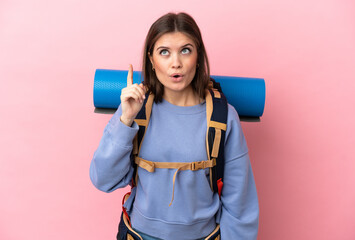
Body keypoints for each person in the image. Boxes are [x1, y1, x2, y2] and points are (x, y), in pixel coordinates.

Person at [90, 12, 259, 240]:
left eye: (185, 50)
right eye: (164, 52)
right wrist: (125, 120)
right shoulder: (135, 108)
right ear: (151, 59)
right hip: (139, 235)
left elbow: (241, 205)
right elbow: (103, 180)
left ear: (198, 56)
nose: (175, 63)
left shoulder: (223, 116)